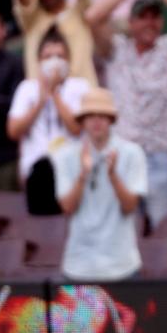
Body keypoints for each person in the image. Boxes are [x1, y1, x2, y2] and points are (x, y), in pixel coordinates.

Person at [86, 0, 167, 228]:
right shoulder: (117, 51)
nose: (150, 23)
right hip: (124, 157)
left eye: (155, 17)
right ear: (131, 22)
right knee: (124, 237)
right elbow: (92, 17)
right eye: (142, 17)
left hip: (162, 156)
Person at [54, 87, 147, 281]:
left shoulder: (132, 152)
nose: (96, 121)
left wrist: (113, 176)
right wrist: (83, 174)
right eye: (90, 116)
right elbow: (67, 207)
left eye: (102, 116)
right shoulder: (65, 155)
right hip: (79, 266)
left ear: (111, 120)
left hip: (122, 266)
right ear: (82, 120)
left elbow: (130, 206)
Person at [7, 31, 90, 214]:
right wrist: (40, 101)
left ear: (69, 60)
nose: (54, 61)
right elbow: (13, 131)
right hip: (36, 173)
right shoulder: (27, 88)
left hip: (73, 172)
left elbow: (76, 128)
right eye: (48, 57)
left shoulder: (80, 87)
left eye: (60, 56)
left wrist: (55, 93)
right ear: (38, 61)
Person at [0, 4, 24, 190]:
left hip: (5, 160)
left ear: (2, 31)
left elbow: (22, 107)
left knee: (8, 216)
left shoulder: (15, 65)